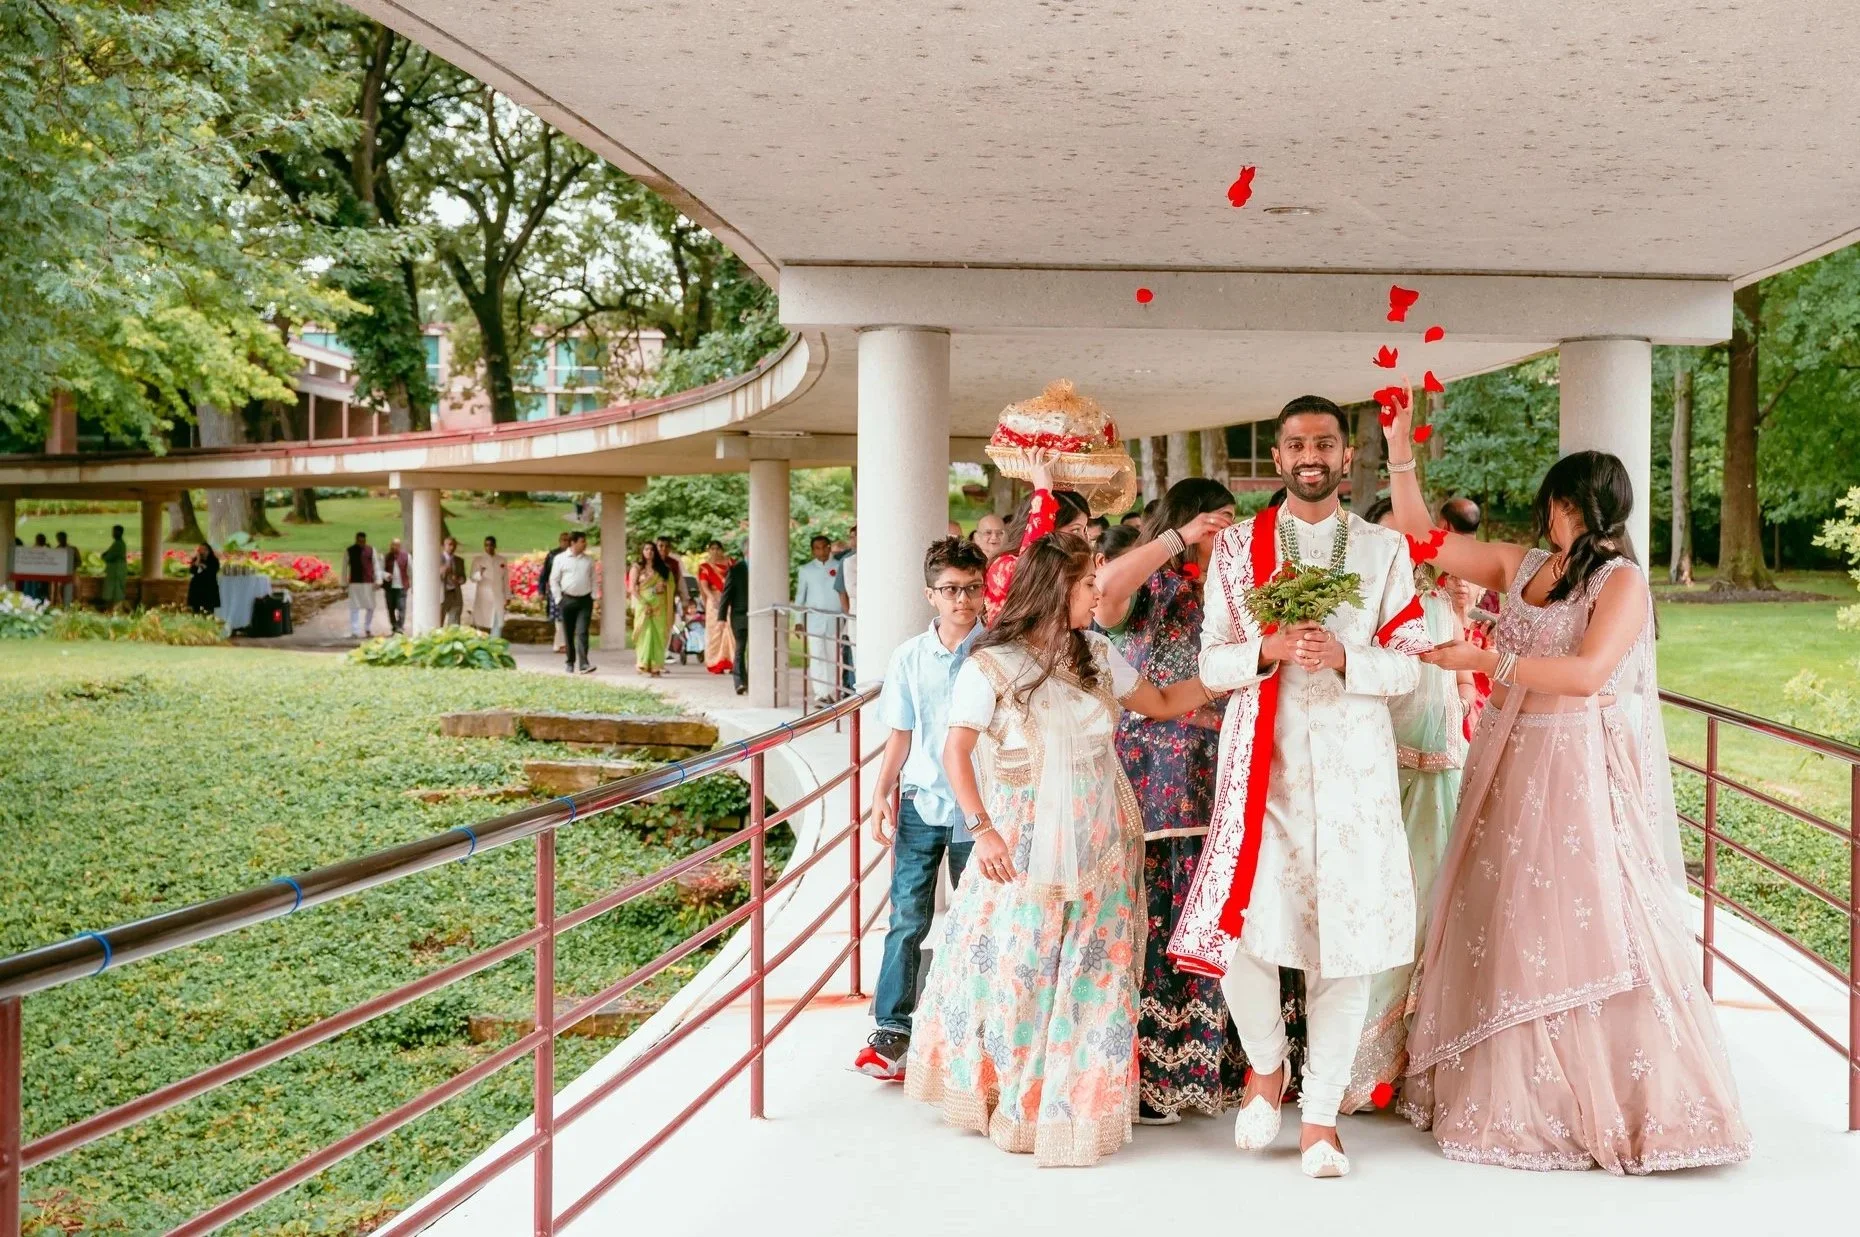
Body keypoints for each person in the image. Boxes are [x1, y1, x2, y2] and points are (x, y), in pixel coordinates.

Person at [1380, 391, 1752, 1174]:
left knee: (1573, 910)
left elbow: (1586, 674)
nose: (1547, 516)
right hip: (1507, 760)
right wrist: (1398, 447)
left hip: (1574, 765)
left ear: (1573, 503)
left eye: (1554, 503)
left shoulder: (1619, 582)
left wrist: (1489, 662)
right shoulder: (1522, 564)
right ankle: (1502, 1079)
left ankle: (1614, 1095)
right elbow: (1421, 536)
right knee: (1504, 906)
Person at [1168, 394, 1428, 1180]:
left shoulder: (1384, 551)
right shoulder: (1239, 549)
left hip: (1354, 779)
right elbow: (1209, 663)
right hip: (1263, 774)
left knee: (1342, 948)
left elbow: (1412, 663)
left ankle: (1319, 1120)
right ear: (1277, 457)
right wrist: (1266, 647)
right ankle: (1265, 1066)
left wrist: (1347, 658)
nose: (1310, 455)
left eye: (1325, 442)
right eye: (1294, 443)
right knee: (1248, 932)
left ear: (1349, 458)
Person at [905, 533, 1223, 1166]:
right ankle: (1012, 1096)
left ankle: (1071, 1102)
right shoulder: (994, 664)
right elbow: (955, 750)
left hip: (1101, 841)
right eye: (1086, 585)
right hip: (1021, 845)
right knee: (1022, 968)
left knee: (1092, 974)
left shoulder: (1098, 656)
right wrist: (983, 828)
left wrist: (1241, 670)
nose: (1097, 593)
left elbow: (1160, 703)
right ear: (1056, 589)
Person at [1088, 478, 1276, 1126]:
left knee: (1224, 908)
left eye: (1230, 522)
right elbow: (1104, 594)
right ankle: (1156, 1075)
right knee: (1160, 914)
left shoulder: (1239, 586)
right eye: (1212, 523)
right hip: (1152, 772)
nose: (1224, 533)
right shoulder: (1148, 585)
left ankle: (1234, 1066)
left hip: (1228, 762)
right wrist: (1174, 539)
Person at [1337, 497, 1470, 1115]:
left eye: (1407, 541)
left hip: (1439, 769)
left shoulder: (1444, 602)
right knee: (1375, 910)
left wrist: (1471, 706)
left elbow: (1460, 677)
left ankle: (1418, 1058)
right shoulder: (1354, 607)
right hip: (1372, 772)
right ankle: (1356, 1065)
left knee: (1430, 909)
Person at [853, 536, 990, 1081]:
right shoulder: (910, 656)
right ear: (930, 594)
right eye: (951, 590)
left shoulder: (996, 650)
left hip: (980, 812)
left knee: (978, 920)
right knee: (906, 918)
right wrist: (880, 795)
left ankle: (972, 1025)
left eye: (972, 588)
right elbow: (900, 735)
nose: (963, 600)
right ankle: (892, 1029)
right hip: (921, 805)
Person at [983, 451, 1091, 625]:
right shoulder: (1005, 565)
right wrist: (1042, 492)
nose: (1084, 540)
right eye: (1075, 530)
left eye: (1085, 530)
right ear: (1050, 526)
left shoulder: (1068, 568)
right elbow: (1032, 567)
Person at [793, 534, 844, 700]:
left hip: (835, 621)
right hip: (814, 621)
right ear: (812, 551)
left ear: (829, 548)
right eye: (817, 548)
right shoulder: (806, 570)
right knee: (817, 657)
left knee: (833, 657)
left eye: (824, 547)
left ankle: (832, 692)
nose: (821, 551)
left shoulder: (839, 566)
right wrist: (798, 621)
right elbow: (800, 598)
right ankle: (820, 694)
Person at [550, 531, 597, 674]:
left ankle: (584, 663)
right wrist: (559, 599)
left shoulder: (588, 560)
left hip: (585, 600)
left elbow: (594, 579)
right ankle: (570, 661)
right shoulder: (560, 559)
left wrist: (594, 596)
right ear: (573, 543)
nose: (585, 544)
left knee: (583, 632)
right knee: (568, 633)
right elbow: (554, 580)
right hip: (567, 600)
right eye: (582, 541)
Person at [630, 541, 675, 676]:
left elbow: (671, 585)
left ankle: (655, 666)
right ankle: (643, 663)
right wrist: (644, 602)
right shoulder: (637, 568)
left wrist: (663, 587)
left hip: (659, 606)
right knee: (645, 634)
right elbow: (632, 588)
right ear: (642, 551)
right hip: (643, 605)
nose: (649, 552)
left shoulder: (662, 569)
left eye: (652, 550)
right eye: (646, 549)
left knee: (658, 634)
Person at [696, 540, 737, 676]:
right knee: (716, 631)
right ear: (709, 551)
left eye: (717, 549)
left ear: (722, 550)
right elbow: (704, 585)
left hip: (730, 599)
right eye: (712, 549)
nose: (715, 551)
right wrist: (711, 598)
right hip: (714, 600)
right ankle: (715, 663)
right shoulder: (705, 567)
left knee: (731, 629)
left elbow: (737, 580)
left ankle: (732, 662)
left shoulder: (731, 563)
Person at [718, 551, 750, 695]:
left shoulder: (764, 567)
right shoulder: (736, 569)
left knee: (758, 650)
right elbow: (726, 594)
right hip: (740, 615)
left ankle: (752, 681)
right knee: (740, 649)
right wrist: (721, 617)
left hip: (760, 616)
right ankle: (739, 682)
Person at [469, 536, 509, 637]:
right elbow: (473, 578)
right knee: (482, 621)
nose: (489, 547)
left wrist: (507, 596)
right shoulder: (478, 560)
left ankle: (495, 643)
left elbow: (505, 579)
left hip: (498, 595)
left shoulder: (501, 560)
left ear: (495, 546)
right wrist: (480, 573)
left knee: (497, 620)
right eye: (486, 545)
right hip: (484, 595)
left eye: (491, 545)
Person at [343, 531, 380, 638]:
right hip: (354, 583)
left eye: (363, 541)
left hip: (368, 582)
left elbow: (376, 565)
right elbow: (344, 567)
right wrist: (344, 582)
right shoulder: (349, 551)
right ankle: (355, 631)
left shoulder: (371, 550)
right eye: (359, 541)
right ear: (356, 540)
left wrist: (378, 580)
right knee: (354, 607)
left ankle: (367, 628)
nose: (361, 543)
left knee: (371, 607)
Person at [542, 531, 572, 652]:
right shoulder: (552, 555)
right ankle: (560, 644)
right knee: (559, 620)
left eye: (567, 540)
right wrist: (541, 590)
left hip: (569, 591)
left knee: (566, 619)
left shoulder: (574, 556)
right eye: (563, 540)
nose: (565, 542)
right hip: (556, 591)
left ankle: (560, 644)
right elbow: (545, 574)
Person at [381, 537, 411, 634]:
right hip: (389, 588)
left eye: (397, 545)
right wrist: (386, 575)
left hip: (402, 587)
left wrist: (413, 584)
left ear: (400, 546)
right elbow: (379, 571)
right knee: (391, 608)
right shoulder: (385, 557)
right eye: (393, 545)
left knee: (402, 607)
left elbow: (411, 570)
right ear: (391, 546)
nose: (395, 547)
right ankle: (394, 626)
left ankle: (400, 626)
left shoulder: (406, 556)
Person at [186, 543, 221, 615]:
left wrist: (204, 567)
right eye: (201, 550)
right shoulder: (196, 560)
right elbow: (192, 571)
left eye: (205, 550)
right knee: (195, 611)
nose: (203, 552)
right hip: (197, 589)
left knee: (208, 611)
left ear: (209, 551)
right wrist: (198, 560)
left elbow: (213, 571)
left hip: (209, 589)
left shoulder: (214, 560)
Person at [438, 537, 466, 627]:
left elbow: (463, 578)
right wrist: (443, 570)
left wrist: (458, 579)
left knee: (455, 622)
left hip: (455, 594)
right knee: (438, 621)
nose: (452, 547)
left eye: (454, 545)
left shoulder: (459, 561)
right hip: (442, 593)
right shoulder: (436, 559)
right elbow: (430, 577)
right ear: (443, 546)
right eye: (449, 544)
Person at [99, 525, 128, 609]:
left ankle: (113, 609)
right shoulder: (117, 543)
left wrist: (104, 556)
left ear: (119, 533)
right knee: (114, 590)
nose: (113, 534)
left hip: (116, 570)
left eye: (115, 532)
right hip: (115, 570)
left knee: (114, 591)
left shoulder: (118, 544)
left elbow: (109, 556)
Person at [55, 531, 78, 606]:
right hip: (60, 573)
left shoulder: (72, 549)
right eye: (59, 538)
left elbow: (78, 561)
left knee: (76, 584)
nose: (60, 540)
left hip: (71, 572)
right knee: (58, 586)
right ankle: (60, 602)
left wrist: (72, 568)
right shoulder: (57, 549)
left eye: (62, 538)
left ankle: (74, 603)